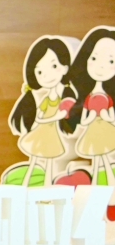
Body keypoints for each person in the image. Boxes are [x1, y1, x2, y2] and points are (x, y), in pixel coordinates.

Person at [8, 38, 77, 186]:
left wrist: (46, 119)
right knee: (34, 160)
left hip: (52, 132)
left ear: (65, 68)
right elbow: (41, 112)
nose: (45, 75)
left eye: (53, 66)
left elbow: (60, 114)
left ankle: (48, 188)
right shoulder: (45, 97)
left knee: (50, 161)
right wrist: (41, 119)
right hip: (41, 131)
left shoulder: (65, 97)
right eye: (39, 71)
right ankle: (27, 186)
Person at [68, 27, 115, 186]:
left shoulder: (108, 97)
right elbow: (85, 119)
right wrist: (88, 121)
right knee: (99, 160)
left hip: (107, 130)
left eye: (110, 61)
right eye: (94, 58)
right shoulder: (88, 96)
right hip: (93, 131)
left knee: (106, 160)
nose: (100, 66)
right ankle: (99, 187)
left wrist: (103, 114)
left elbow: (111, 117)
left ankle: (109, 185)